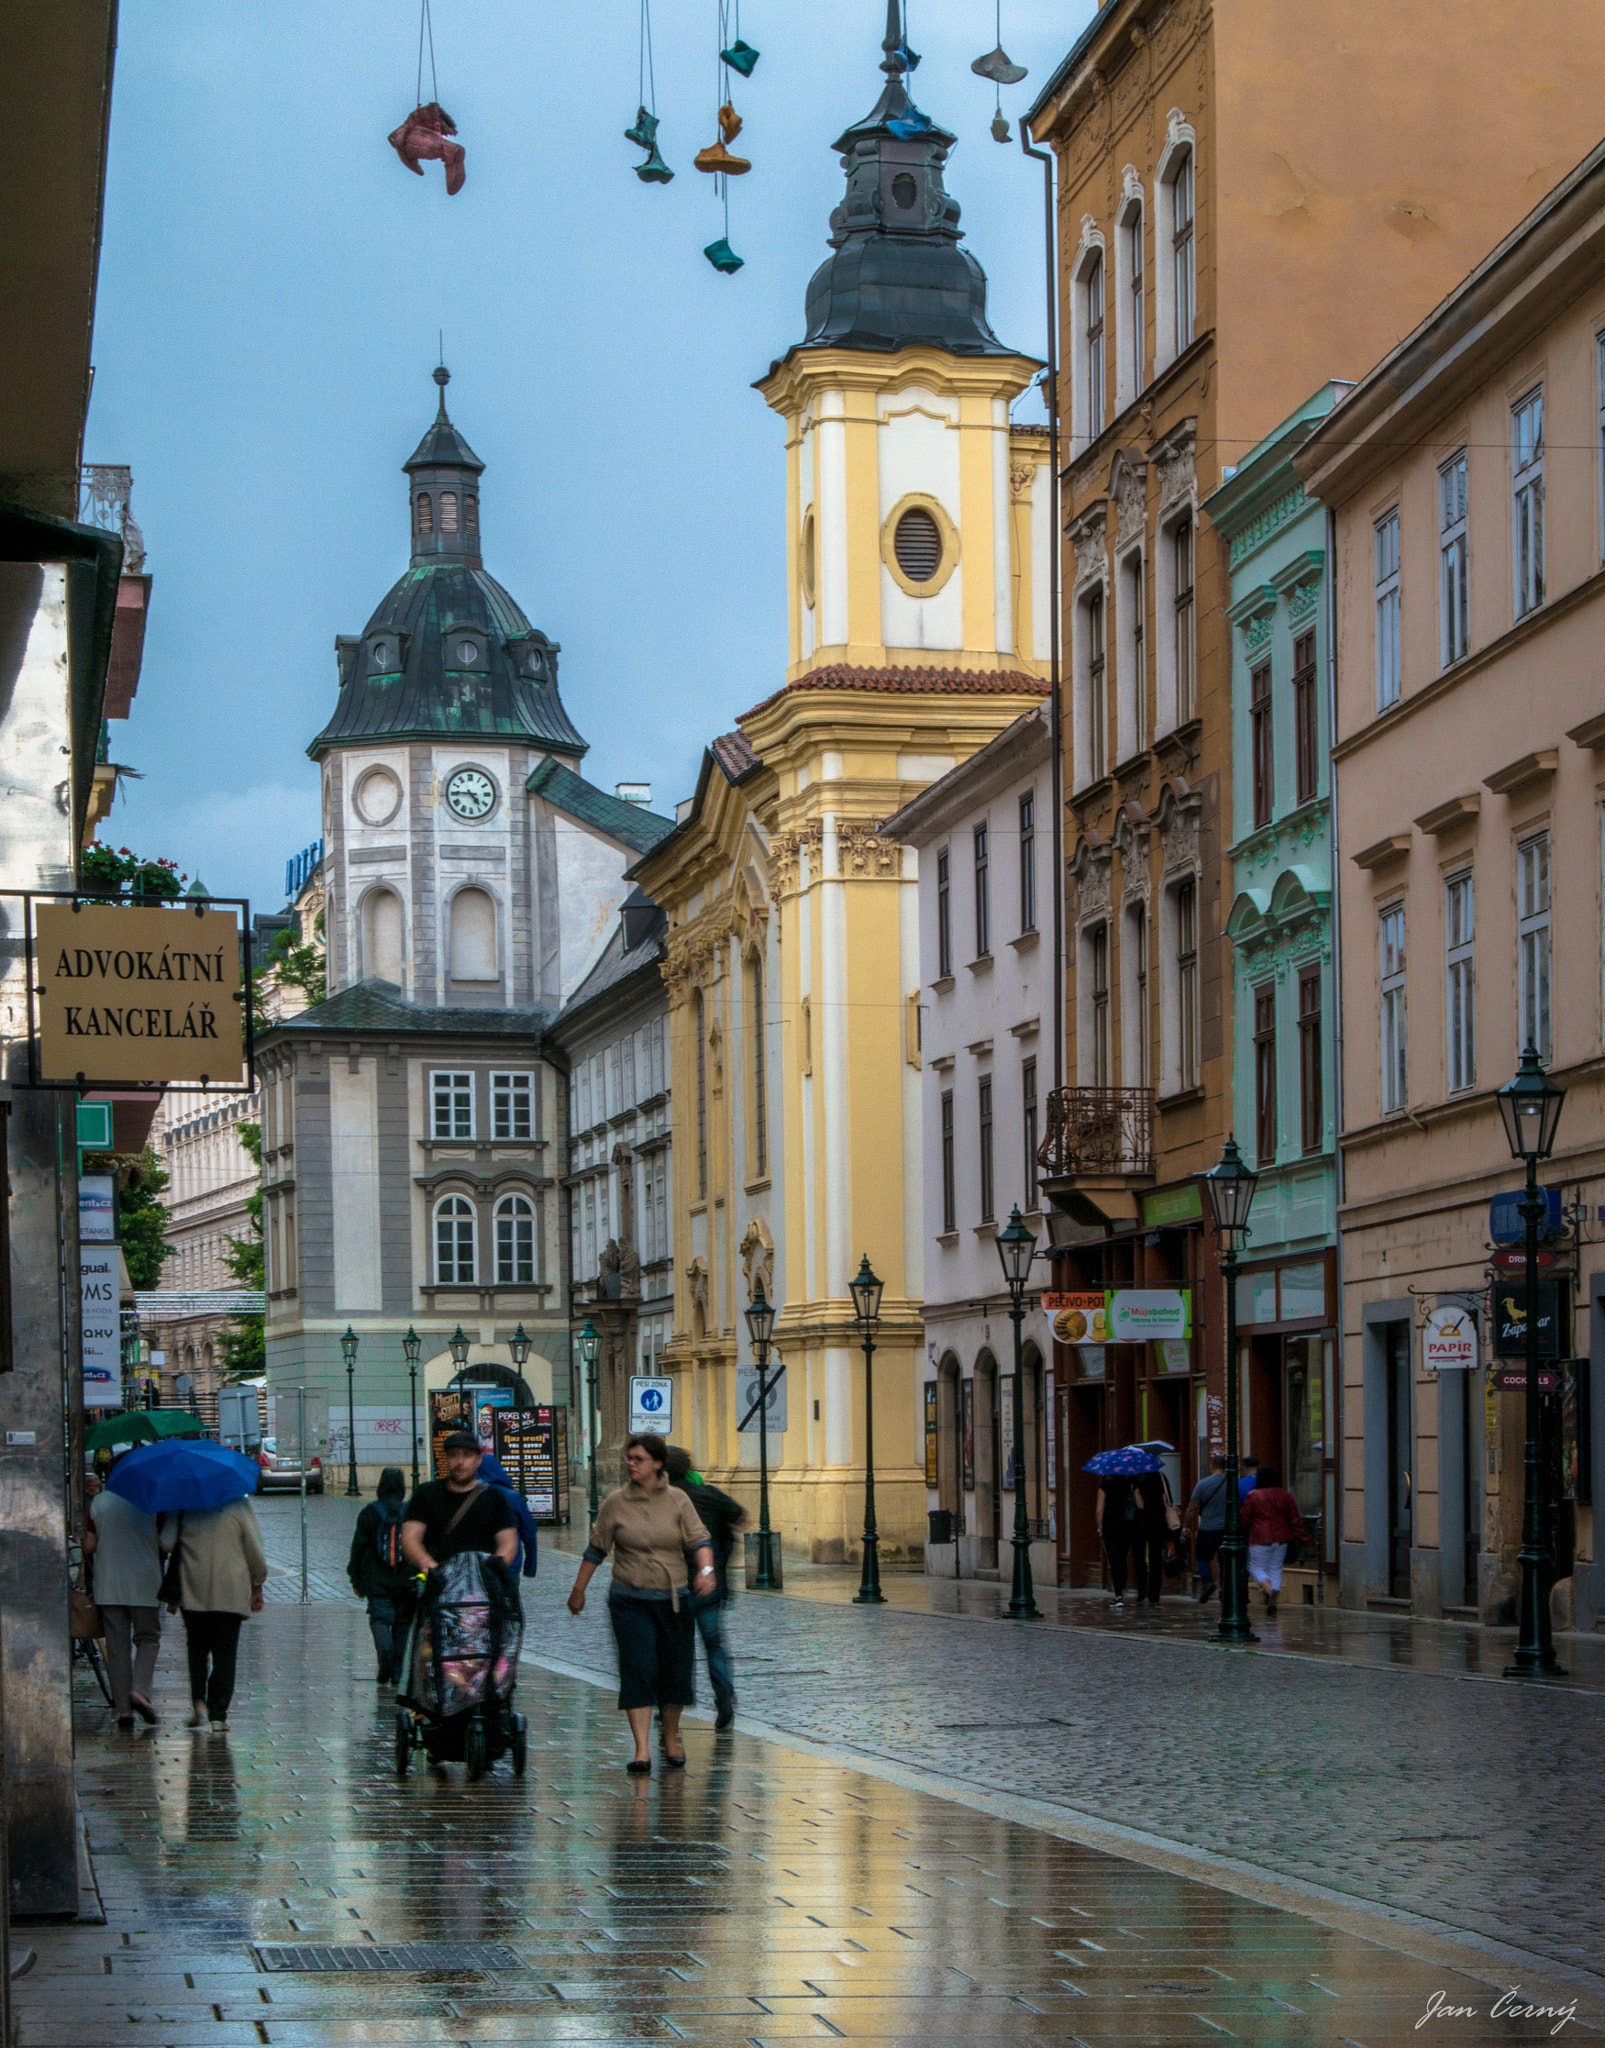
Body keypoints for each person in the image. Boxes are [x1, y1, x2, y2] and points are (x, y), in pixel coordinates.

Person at [566, 1434, 715, 1774]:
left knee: (675, 1671)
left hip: (672, 1599)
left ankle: (672, 1735)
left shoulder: (678, 1500)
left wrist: (706, 1570)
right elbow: (596, 1549)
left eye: (638, 1459)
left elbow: (700, 1540)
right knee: (638, 1668)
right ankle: (642, 1748)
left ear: (657, 1463)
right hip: (629, 1600)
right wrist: (579, 1590)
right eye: (628, 1458)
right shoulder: (615, 1502)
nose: (630, 1464)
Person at [167, 1495, 268, 1729]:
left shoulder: (183, 1503)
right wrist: (258, 1582)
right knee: (225, 1652)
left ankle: (199, 1701)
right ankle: (218, 1715)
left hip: (193, 1588)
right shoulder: (238, 1504)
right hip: (230, 1591)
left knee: (197, 1648)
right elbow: (254, 1547)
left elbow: (166, 1542)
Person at [665, 1445, 745, 1730]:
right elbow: (741, 1516)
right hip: (710, 1584)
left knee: (674, 1650)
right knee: (714, 1645)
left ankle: (668, 1708)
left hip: (673, 1587)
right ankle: (724, 1697)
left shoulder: (661, 1499)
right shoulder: (708, 1494)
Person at [84, 1482, 164, 1727]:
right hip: (145, 1583)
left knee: (117, 1647)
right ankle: (139, 1691)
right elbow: (166, 1541)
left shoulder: (99, 1502)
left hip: (109, 1584)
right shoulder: (154, 1500)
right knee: (148, 1638)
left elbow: (89, 1545)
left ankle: (124, 1711)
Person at [401, 1432, 518, 1574]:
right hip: (438, 1585)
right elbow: (410, 1538)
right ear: (446, 1459)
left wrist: (491, 1571)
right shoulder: (426, 1493)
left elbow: (508, 1541)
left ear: (478, 1460)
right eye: (453, 1455)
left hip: (480, 1586)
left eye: (467, 1455)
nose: (460, 1462)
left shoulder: (494, 1497)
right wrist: (431, 1568)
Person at [346, 1467, 418, 1685]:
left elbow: (358, 1549)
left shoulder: (369, 1513)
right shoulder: (410, 1513)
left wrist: (355, 1578)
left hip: (376, 1579)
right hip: (406, 1579)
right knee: (402, 1624)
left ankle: (384, 1658)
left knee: (379, 1619)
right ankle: (397, 1670)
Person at [1241, 1466, 1310, 1617]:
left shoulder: (1253, 1495)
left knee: (1255, 1567)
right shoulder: (1286, 1496)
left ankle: (1269, 1590)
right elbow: (1295, 1519)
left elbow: (1245, 1518)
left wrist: (1247, 1527)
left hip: (1259, 1538)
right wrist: (1304, 1539)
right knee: (1276, 1568)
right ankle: (1273, 1594)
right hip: (1281, 1539)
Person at [479, 1451, 540, 1580]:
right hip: (509, 1565)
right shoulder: (513, 1496)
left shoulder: (472, 1495)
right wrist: (530, 1568)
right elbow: (529, 1532)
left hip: (477, 1566)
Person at [1183, 1452, 1230, 1603]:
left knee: (1202, 1558)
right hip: (1226, 1530)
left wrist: (1185, 1525)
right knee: (1225, 1561)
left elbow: (1192, 1508)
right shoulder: (1233, 1483)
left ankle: (1207, 1582)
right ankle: (1224, 1589)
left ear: (1211, 1466)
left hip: (1207, 1528)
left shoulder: (1203, 1484)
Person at [1094, 1472, 1143, 1609]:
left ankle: (1118, 1595)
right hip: (1127, 1526)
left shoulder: (1105, 1486)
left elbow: (1099, 1510)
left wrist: (1100, 1528)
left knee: (1114, 1559)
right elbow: (1140, 1505)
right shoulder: (1131, 1485)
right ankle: (1122, 1589)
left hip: (1110, 1528)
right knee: (1122, 1559)